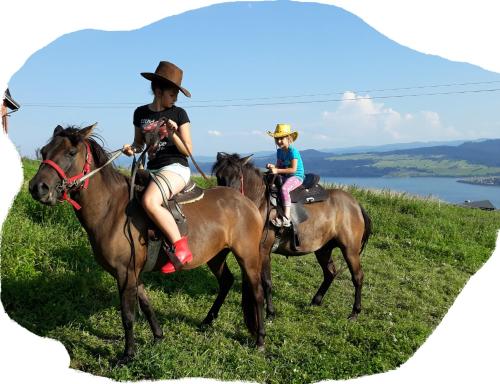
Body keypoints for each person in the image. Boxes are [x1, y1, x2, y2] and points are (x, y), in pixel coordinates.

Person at [122, 61, 193, 274]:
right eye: (172, 95)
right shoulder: (140, 113)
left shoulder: (179, 114)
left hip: (175, 168)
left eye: (176, 97)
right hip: (152, 169)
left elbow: (188, 150)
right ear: (158, 90)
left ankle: (181, 249)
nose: (174, 100)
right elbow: (138, 144)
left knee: (150, 201)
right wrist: (130, 149)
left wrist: (173, 134)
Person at [266, 123, 305, 227]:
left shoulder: (293, 151)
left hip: (296, 176)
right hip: (286, 176)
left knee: (284, 189)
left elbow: (293, 169)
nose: (278, 141)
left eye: (281, 138)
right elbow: (279, 166)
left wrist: (277, 170)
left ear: (288, 138)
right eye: (277, 139)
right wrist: (272, 167)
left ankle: (286, 218)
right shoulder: (279, 152)